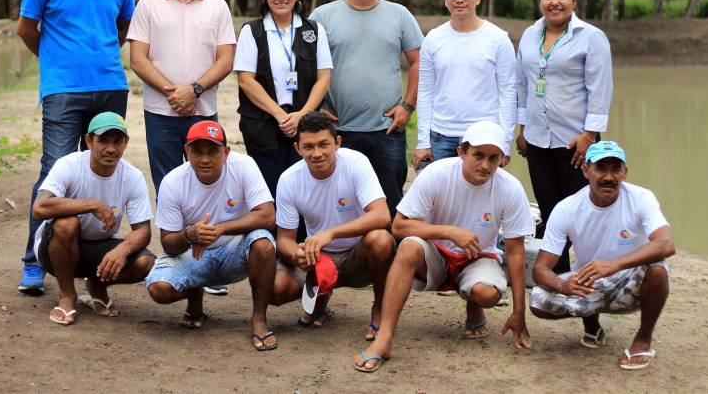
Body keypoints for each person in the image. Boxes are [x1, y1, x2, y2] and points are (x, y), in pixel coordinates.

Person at [17, 0, 136, 295]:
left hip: (110, 86)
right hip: (63, 91)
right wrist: (56, 63)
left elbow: (122, 26)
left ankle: (90, 254)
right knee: (54, 167)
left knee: (104, 165)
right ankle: (35, 261)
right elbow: (26, 28)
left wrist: (98, 58)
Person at [354, 120, 533, 373]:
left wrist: (519, 312)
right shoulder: (437, 173)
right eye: (478, 156)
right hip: (435, 253)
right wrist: (447, 231)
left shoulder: (511, 189)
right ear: (461, 152)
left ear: (502, 159)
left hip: (477, 257)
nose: (485, 165)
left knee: (488, 293)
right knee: (408, 247)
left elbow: (515, 251)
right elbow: (399, 226)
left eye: (493, 158)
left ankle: (474, 308)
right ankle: (384, 338)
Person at [530, 141, 674, 370]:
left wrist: (615, 264)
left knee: (657, 268)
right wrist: (563, 286)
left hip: (631, 281)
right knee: (538, 300)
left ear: (625, 173)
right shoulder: (567, 208)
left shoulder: (641, 197)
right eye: (600, 168)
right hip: (591, 281)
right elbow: (540, 269)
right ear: (586, 171)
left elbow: (666, 243)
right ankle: (592, 326)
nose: (608, 176)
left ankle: (643, 339)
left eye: (615, 169)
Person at [144, 121, 279, 351]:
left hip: (235, 250)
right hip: (194, 254)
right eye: (197, 151)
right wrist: (189, 234)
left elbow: (268, 216)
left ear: (226, 152)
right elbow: (168, 243)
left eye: (213, 151)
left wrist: (220, 229)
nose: (205, 159)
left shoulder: (244, 166)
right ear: (186, 152)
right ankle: (195, 299)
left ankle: (259, 319)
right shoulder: (172, 182)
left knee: (263, 243)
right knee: (159, 289)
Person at [516, 0, 613, 273]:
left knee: (580, 215)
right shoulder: (530, 35)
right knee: (550, 211)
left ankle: (588, 282)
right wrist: (522, 129)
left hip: (575, 142)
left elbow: (600, 90)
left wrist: (589, 136)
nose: (554, 2)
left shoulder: (591, 37)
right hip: (537, 139)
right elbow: (522, 83)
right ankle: (557, 283)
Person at [309, 0, 423, 217]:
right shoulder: (322, 17)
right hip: (338, 130)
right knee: (340, 201)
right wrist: (315, 110)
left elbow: (420, 63)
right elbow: (304, 65)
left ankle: (392, 254)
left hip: (387, 129)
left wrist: (407, 106)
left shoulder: (399, 15)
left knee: (391, 200)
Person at [270, 112, 395, 336]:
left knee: (381, 239)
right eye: (308, 147)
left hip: (358, 256)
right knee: (276, 290)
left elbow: (382, 215)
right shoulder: (289, 180)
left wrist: (330, 234)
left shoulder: (356, 163)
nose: (317, 153)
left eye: (323, 144)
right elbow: (284, 240)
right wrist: (295, 255)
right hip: (318, 258)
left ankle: (380, 309)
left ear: (337, 143)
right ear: (298, 148)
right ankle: (321, 294)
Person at [128, 0, 236, 197]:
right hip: (160, 113)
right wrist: (175, 94)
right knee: (166, 184)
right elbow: (138, 59)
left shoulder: (218, 6)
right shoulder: (148, 4)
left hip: (204, 111)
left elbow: (225, 60)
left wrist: (194, 90)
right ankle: (175, 237)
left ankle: (204, 236)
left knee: (208, 181)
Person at [31, 112, 155, 326]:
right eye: (103, 140)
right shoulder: (69, 165)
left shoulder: (132, 176)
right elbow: (39, 207)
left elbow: (143, 231)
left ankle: (97, 285)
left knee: (147, 263)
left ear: (126, 143)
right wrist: (92, 204)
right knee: (67, 224)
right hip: (54, 250)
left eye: (117, 141)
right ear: (88, 141)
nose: (110, 148)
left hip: (96, 247)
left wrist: (122, 250)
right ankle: (68, 294)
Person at [234, 0, 332, 201]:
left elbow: (324, 77)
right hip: (264, 125)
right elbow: (246, 80)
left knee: (306, 192)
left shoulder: (313, 30)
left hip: (305, 126)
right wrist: (280, 115)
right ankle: (270, 238)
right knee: (269, 191)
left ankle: (301, 238)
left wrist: (303, 116)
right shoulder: (252, 31)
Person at [414, 0, 515, 169]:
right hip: (441, 135)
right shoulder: (433, 39)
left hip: (484, 136)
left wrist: (505, 143)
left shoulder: (498, 39)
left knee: (481, 197)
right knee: (440, 197)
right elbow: (425, 91)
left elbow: (508, 93)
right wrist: (423, 141)